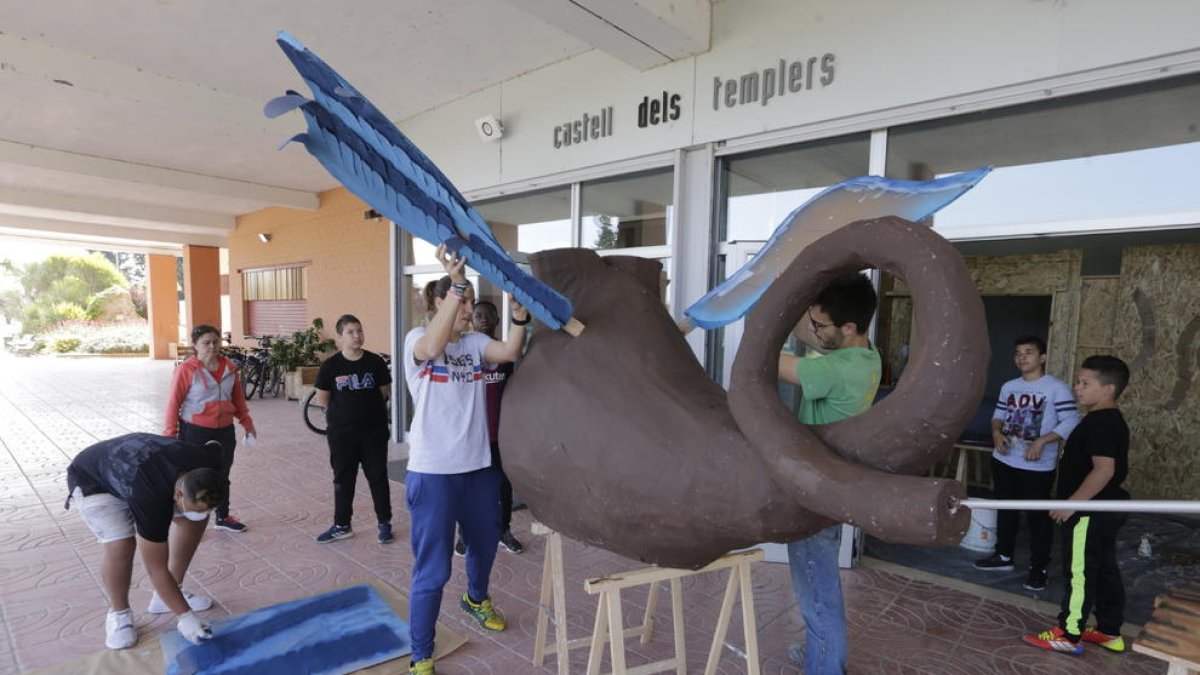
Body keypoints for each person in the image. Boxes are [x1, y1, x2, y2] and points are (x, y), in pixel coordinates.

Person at [402, 244, 528, 675]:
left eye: (471, 300)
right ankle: (421, 653)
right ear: (439, 302)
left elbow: (509, 352)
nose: (468, 307)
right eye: (460, 299)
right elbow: (434, 343)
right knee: (433, 569)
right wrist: (456, 284)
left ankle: (476, 598)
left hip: (477, 468)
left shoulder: (474, 344)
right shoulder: (417, 340)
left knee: (485, 543)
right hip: (434, 472)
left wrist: (520, 316)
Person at [776, 273, 881, 675]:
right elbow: (816, 341)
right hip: (835, 480)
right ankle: (822, 651)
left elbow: (766, 359)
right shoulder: (866, 354)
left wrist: (762, 320)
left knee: (817, 587)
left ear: (849, 327)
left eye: (821, 325)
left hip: (819, 487)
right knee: (819, 581)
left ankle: (826, 666)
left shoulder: (835, 371)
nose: (814, 331)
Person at [65, 432, 225, 650]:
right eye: (195, 507)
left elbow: (214, 442)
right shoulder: (150, 497)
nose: (202, 512)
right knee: (121, 544)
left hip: (134, 464)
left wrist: (200, 509)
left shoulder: (210, 460)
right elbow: (155, 568)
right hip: (93, 478)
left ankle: (166, 595)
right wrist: (186, 619)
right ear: (177, 494)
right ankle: (119, 614)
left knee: (194, 522)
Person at [1023, 355, 1131, 656]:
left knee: (1080, 572)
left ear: (1108, 389)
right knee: (1104, 568)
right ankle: (1110, 631)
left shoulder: (1102, 424)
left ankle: (1069, 634)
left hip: (1089, 512)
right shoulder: (1104, 420)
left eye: (1085, 383)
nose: (1077, 388)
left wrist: (1072, 504)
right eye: (1078, 382)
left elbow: (1104, 470)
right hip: (1102, 510)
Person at [975, 336, 1079, 591]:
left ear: (1042, 358)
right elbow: (998, 416)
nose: (1022, 357)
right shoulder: (1009, 386)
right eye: (1018, 353)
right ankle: (1004, 556)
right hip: (1004, 460)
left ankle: (1039, 568)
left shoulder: (1056, 388)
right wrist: (997, 433)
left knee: (1038, 518)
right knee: (1006, 509)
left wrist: (1042, 441)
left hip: (1037, 467)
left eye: (1029, 352)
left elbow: (1072, 420)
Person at [164, 324, 256, 533]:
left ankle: (222, 517)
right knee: (192, 475)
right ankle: (188, 515)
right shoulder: (186, 370)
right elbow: (173, 404)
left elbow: (238, 401)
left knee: (222, 475)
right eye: (206, 343)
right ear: (195, 345)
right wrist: (169, 436)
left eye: (216, 342)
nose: (212, 346)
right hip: (195, 430)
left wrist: (247, 424)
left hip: (224, 430)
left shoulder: (230, 368)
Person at [312, 314, 394, 544]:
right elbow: (323, 399)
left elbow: (383, 391)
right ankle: (342, 525)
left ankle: (384, 522)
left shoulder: (375, 362)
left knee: (378, 477)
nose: (357, 336)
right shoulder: (330, 366)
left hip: (373, 433)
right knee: (343, 479)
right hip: (342, 435)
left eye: (359, 330)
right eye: (351, 332)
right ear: (340, 337)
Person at [454, 300, 523, 556]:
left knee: (503, 486)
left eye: (488, 315)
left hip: (499, 435)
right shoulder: (464, 353)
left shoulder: (506, 354)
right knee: (468, 487)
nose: (482, 319)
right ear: (472, 320)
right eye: (478, 315)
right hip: (472, 435)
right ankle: (464, 534)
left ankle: (503, 530)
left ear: (496, 320)